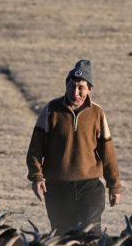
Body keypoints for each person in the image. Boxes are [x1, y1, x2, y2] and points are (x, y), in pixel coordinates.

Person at [25, 60, 122, 236]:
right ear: (66, 85)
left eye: (81, 88)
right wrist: (36, 177)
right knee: (61, 236)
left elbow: (108, 153)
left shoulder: (97, 113)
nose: (75, 92)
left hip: (89, 187)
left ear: (89, 89)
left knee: (90, 234)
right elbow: (35, 149)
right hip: (56, 188)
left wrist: (114, 186)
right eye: (72, 86)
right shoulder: (51, 110)